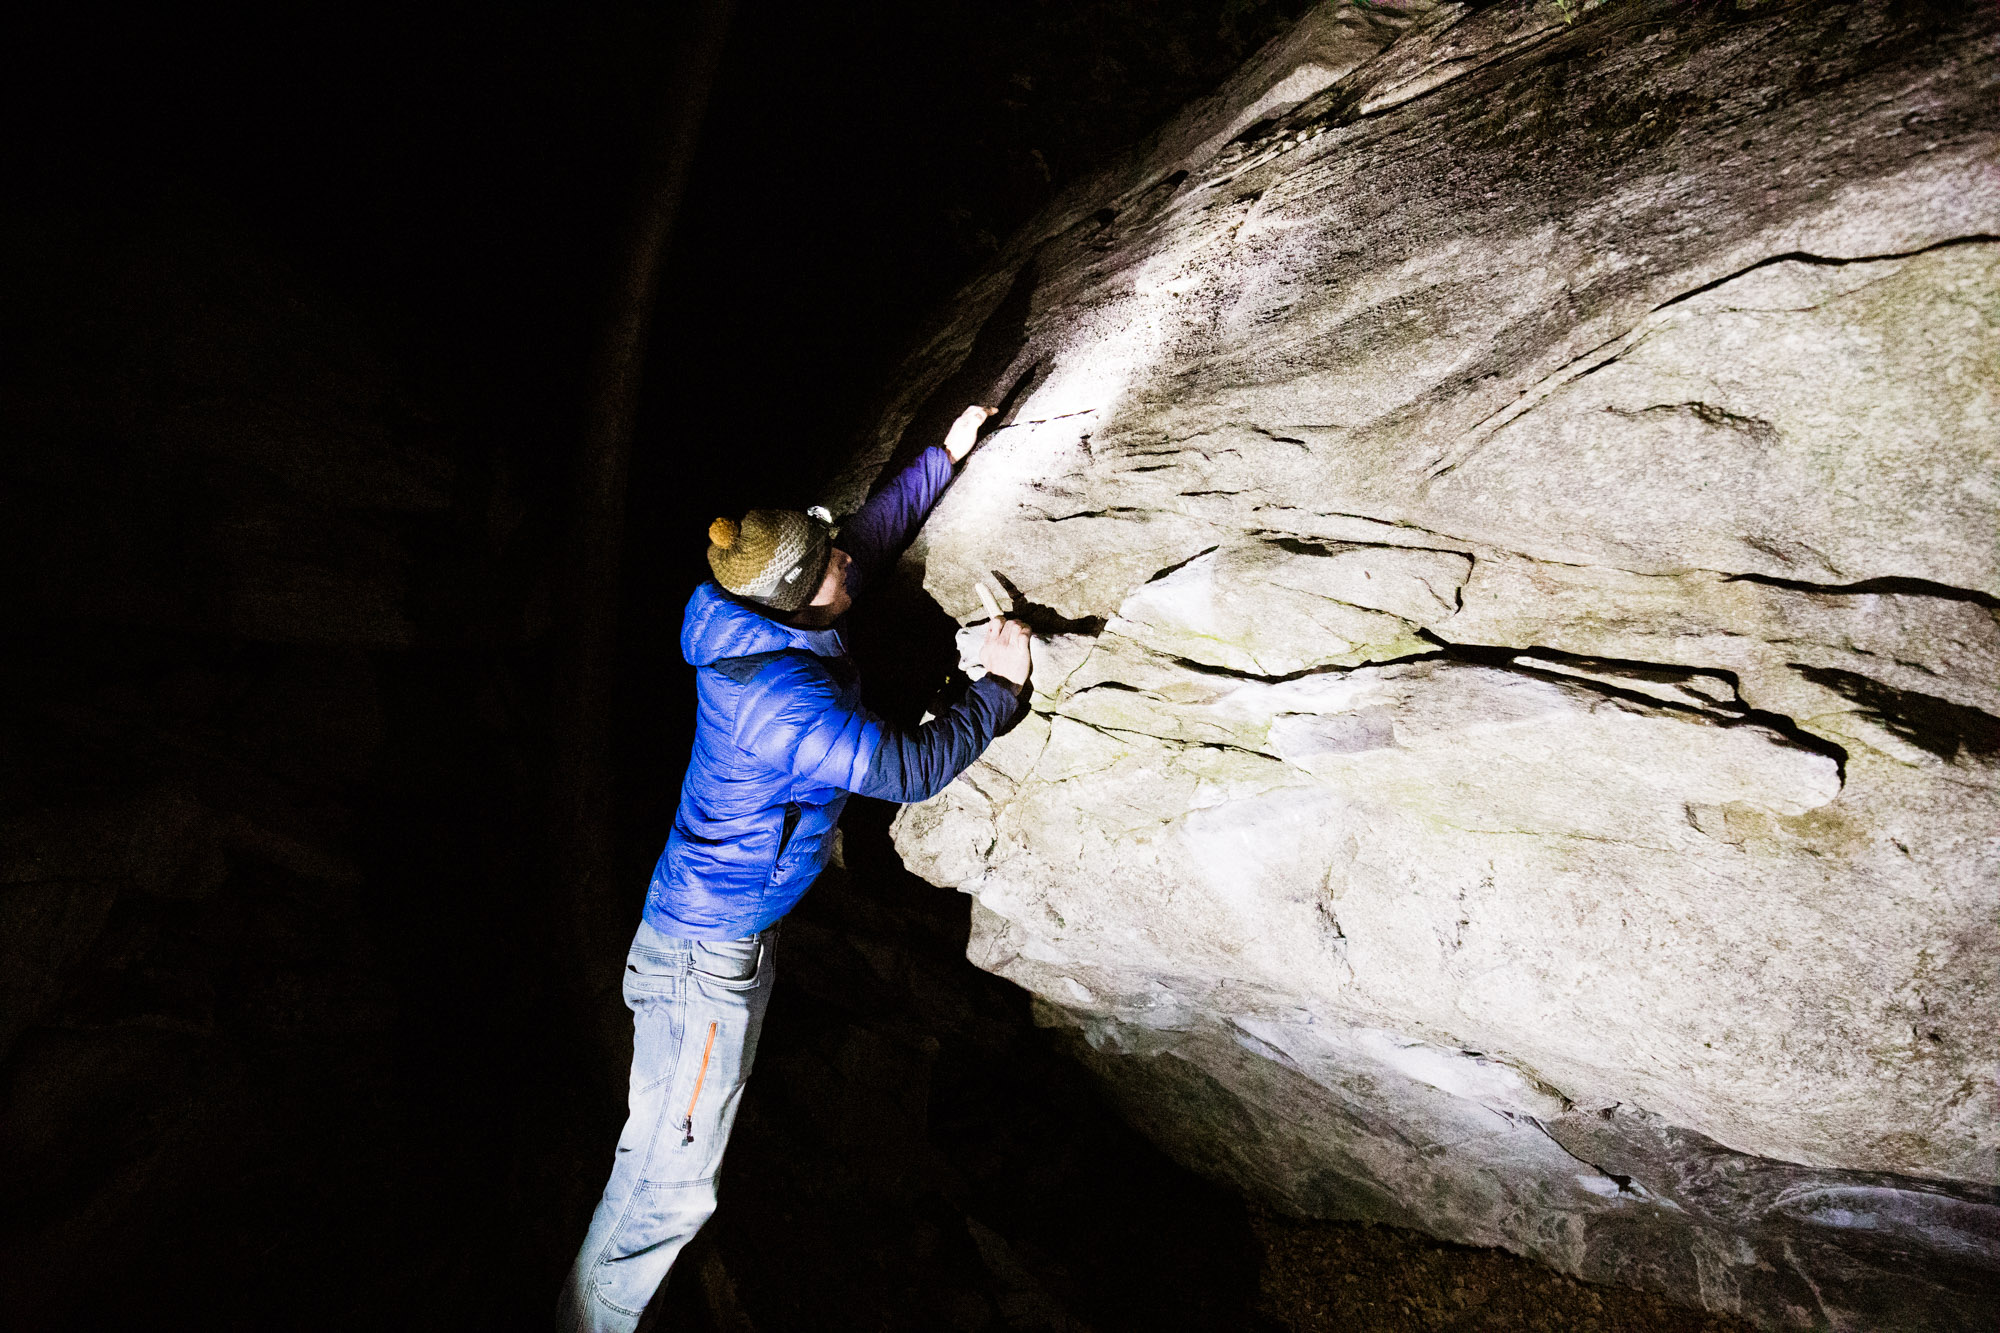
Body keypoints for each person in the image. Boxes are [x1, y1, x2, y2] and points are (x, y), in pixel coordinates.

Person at [558, 405, 1030, 1332]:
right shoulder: (782, 704)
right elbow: (906, 766)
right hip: (703, 960)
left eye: (830, 550)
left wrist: (944, 454)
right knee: (670, 1187)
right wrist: (998, 691)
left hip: (716, 930)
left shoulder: (765, 608)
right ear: (797, 600)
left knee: (662, 1156)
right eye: (828, 568)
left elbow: (862, 545)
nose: (845, 560)